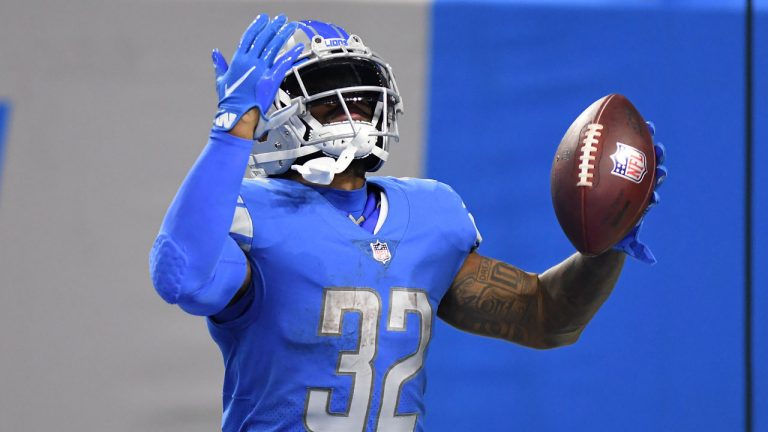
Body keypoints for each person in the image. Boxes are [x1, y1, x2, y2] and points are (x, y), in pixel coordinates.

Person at [149, 14, 667, 432]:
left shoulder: (428, 213)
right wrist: (229, 134)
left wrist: (608, 241)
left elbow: (546, 316)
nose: (355, 109)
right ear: (274, 111)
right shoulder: (252, 212)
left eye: (360, 92)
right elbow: (181, 275)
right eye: (331, 98)